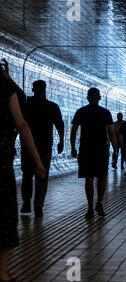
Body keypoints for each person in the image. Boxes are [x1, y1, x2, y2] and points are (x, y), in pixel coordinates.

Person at [0, 59, 46, 282]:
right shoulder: (5, 87)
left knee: (26, 179)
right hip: (1, 161)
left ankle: (31, 203)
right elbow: (21, 124)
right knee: (5, 213)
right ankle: (3, 273)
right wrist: (38, 159)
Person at [70, 88, 117, 219]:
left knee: (89, 178)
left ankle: (90, 208)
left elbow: (73, 130)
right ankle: (99, 202)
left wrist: (73, 147)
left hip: (86, 148)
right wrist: (115, 150)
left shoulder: (81, 112)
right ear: (100, 98)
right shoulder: (105, 113)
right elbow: (112, 132)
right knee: (102, 176)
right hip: (101, 148)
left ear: (87, 98)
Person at [20, 80, 64, 217]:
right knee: (42, 177)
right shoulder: (52, 106)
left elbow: (19, 125)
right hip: (45, 147)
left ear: (33, 89)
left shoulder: (25, 106)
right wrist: (61, 141)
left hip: (27, 148)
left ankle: (26, 203)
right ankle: (38, 207)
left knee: (27, 176)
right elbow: (60, 125)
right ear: (45, 89)